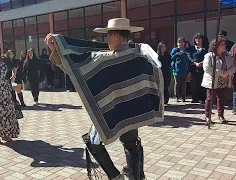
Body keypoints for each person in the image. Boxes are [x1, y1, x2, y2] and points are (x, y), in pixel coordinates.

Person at [45, 18, 164, 180]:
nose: (107, 41)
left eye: (108, 36)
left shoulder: (104, 60)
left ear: (114, 36)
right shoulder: (141, 58)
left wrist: (55, 49)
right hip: (133, 111)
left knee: (92, 141)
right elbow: (156, 74)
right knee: (132, 145)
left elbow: (77, 68)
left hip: (111, 110)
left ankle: (115, 176)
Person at [202, 38, 235, 124]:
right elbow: (207, 68)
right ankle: (207, 116)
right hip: (212, 81)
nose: (224, 46)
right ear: (216, 46)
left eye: (224, 44)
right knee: (210, 98)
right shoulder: (209, 56)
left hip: (224, 81)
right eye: (222, 45)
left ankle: (221, 115)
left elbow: (233, 67)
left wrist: (227, 73)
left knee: (221, 98)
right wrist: (220, 73)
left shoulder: (227, 55)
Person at [189, 33, 209, 104]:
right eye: (196, 39)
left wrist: (202, 62)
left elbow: (207, 56)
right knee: (194, 83)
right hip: (194, 68)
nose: (198, 40)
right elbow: (189, 56)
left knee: (201, 83)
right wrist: (195, 63)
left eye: (199, 39)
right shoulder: (191, 48)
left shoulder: (206, 48)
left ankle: (202, 98)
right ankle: (194, 98)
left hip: (202, 68)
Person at [170, 37, 190, 102]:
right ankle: (177, 96)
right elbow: (171, 59)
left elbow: (188, 59)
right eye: (179, 42)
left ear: (184, 43)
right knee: (177, 83)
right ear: (177, 43)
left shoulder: (186, 50)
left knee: (184, 83)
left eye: (182, 42)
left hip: (184, 70)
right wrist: (176, 54)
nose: (180, 43)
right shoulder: (175, 50)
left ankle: (184, 97)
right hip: (176, 70)